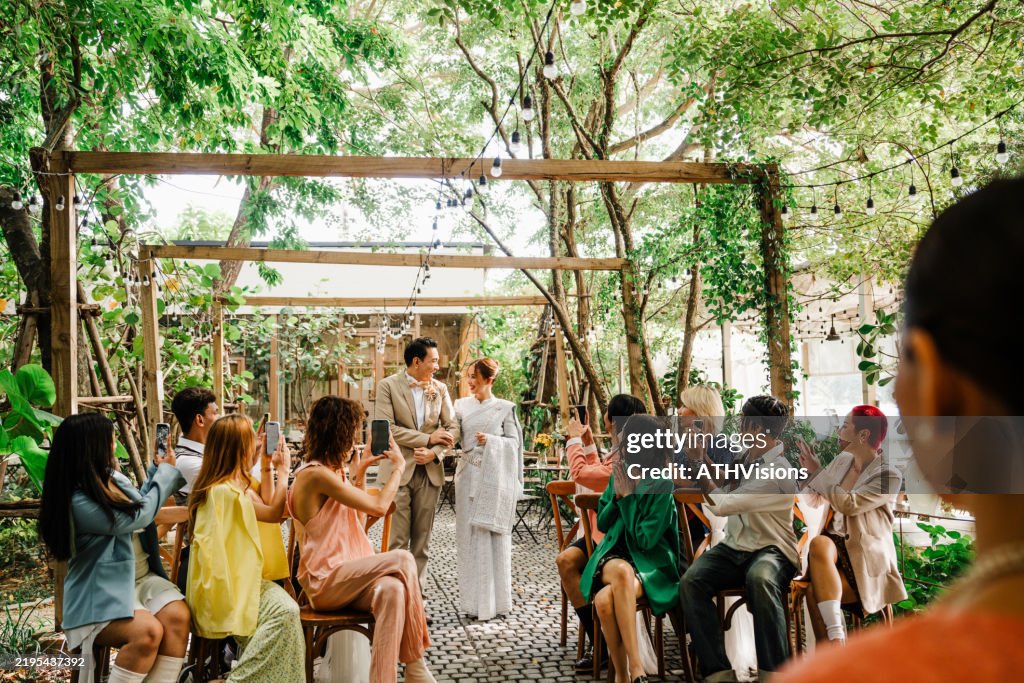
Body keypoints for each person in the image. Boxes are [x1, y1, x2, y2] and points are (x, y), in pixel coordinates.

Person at [777, 178, 1024, 681]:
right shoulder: (847, 461)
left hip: (863, 562)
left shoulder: (879, 672)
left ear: (938, 388)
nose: (893, 390)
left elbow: (842, 505)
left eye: (900, 363)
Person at [288, 396, 436, 683]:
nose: (356, 438)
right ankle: (416, 666)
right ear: (340, 432)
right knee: (404, 557)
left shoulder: (333, 474)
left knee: (393, 590)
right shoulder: (314, 475)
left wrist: (361, 473)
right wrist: (398, 468)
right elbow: (380, 506)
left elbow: (354, 526)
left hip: (348, 577)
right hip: (325, 582)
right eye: (353, 431)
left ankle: (384, 679)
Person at [38, 413, 189, 683]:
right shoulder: (76, 501)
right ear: (91, 447)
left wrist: (157, 470)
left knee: (178, 616)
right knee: (148, 632)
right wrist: (166, 474)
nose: (113, 444)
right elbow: (138, 517)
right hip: (99, 590)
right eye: (110, 439)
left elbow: (139, 502)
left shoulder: (112, 479)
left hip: (141, 579)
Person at [679, 395, 798, 683]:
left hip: (773, 550)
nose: (737, 426)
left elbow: (723, 504)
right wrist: (703, 456)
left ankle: (775, 675)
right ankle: (719, 674)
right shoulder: (747, 458)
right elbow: (724, 480)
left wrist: (697, 464)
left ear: (756, 428)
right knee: (691, 582)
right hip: (736, 548)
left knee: (760, 577)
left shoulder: (778, 472)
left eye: (741, 421)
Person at [186, 414, 304, 682]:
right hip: (230, 589)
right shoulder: (223, 492)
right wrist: (284, 472)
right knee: (285, 613)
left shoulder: (237, 484)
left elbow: (266, 499)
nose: (257, 443)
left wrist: (264, 465)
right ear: (239, 448)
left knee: (287, 615)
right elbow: (275, 512)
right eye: (251, 441)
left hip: (247, 581)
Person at [578, 414, 681, 683]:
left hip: (650, 562)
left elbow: (645, 541)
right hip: (615, 554)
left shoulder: (662, 484)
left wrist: (628, 498)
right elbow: (602, 521)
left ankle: (622, 676)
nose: (624, 447)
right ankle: (636, 669)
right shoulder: (620, 475)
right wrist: (620, 496)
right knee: (621, 573)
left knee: (603, 600)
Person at [796, 406, 907, 644]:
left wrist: (818, 473)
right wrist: (808, 474)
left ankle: (833, 655)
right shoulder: (842, 461)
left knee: (815, 592)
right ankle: (837, 640)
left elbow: (849, 504)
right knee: (820, 543)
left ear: (863, 435)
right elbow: (815, 500)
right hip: (832, 551)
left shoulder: (889, 475)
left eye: (845, 425)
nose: (838, 430)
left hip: (864, 556)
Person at [557, 393, 646, 673]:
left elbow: (582, 474)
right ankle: (599, 639)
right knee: (565, 561)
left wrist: (572, 440)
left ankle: (605, 646)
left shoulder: (629, 458)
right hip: (602, 535)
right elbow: (597, 470)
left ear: (612, 422)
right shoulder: (618, 452)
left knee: (569, 562)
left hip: (617, 540)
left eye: (607, 413)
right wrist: (587, 443)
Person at [374, 336, 460, 587]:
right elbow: (386, 428)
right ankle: (395, 596)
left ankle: (417, 599)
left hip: (429, 472)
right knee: (397, 541)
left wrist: (434, 452)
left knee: (423, 542)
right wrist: (427, 437)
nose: (437, 366)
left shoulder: (440, 389)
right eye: (433, 361)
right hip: (397, 473)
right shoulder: (387, 386)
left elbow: (453, 427)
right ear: (416, 361)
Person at [453, 358, 524, 621]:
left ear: (489, 379)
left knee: (494, 537)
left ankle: (498, 603)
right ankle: (473, 604)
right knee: (469, 537)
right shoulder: (460, 406)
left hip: (494, 480)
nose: (470, 381)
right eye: (469, 376)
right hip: (468, 474)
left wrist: (492, 440)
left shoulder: (504, 408)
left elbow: (515, 443)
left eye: (475, 376)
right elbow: (451, 432)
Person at [170, 386, 219, 505]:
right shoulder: (190, 463)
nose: (220, 419)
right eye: (216, 413)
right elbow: (239, 491)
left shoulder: (199, 454)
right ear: (200, 420)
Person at [677, 384, 734, 466]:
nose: (679, 411)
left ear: (700, 409)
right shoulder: (682, 444)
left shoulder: (725, 447)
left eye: (684, 406)